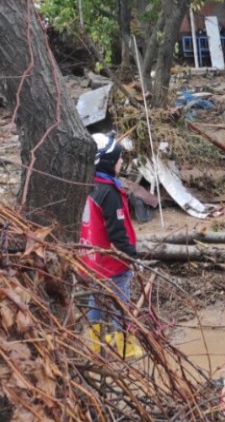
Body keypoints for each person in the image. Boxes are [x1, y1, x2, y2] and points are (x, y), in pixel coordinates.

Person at [79, 132, 144, 359]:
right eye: (118, 159)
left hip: (91, 259)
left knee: (95, 299)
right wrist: (132, 257)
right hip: (112, 262)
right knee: (121, 303)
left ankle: (92, 343)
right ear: (107, 163)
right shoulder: (110, 193)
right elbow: (117, 233)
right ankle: (126, 345)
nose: (121, 162)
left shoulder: (88, 184)